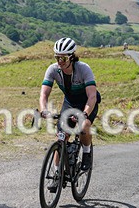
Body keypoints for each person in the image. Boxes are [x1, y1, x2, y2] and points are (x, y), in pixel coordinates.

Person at [39, 37, 100, 185]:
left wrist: (84, 113)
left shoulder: (83, 69)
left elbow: (92, 96)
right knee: (61, 137)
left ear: (72, 57)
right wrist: (44, 109)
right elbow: (44, 94)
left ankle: (86, 154)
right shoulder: (53, 69)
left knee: (84, 126)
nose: (60, 61)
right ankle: (57, 175)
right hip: (70, 103)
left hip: (86, 102)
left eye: (64, 58)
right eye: (57, 57)